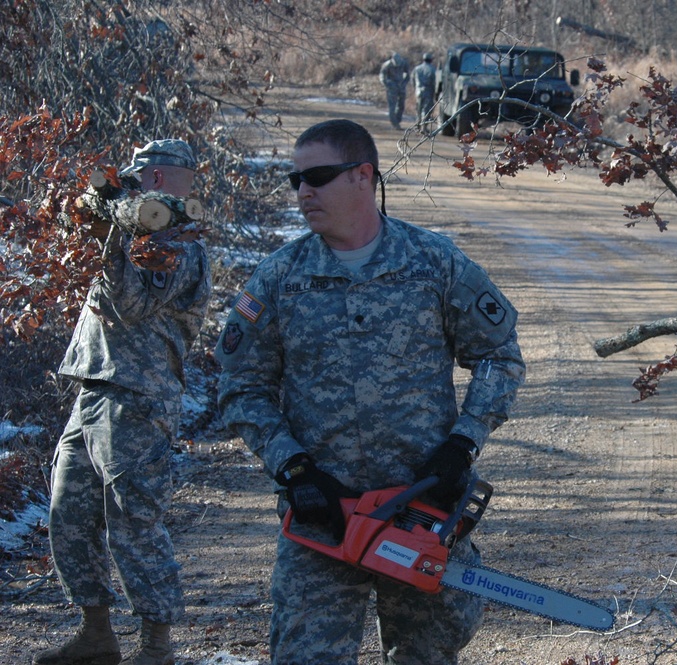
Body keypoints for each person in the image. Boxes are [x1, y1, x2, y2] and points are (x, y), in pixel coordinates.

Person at [215, 118, 525, 664]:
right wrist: (294, 469)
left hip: (421, 510)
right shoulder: (277, 279)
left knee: (428, 653)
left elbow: (499, 355)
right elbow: (241, 387)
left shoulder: (433, 263)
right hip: (322, 518)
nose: (303, 191)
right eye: (296, 180)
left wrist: (463, 444)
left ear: (363, 176)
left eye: (318, 176)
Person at [35, 139, 212, 665]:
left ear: (156, 180)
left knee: (134, 520)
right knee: (68, 510)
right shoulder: (139, 231)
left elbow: (129, 305)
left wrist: (110, 237)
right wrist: (96, 225)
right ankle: (96, 633)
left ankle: (155, 645)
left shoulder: (179, 245)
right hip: (94, 387)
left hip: (138, 397)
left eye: (135, 177)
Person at [379, 52, 410, 129]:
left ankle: (397, 120)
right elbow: (382, 75)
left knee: (401, 105)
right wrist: (387, 84)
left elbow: (408, 75)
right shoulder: (387, 65)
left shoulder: (403, 63)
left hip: (401, 86)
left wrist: (404, 83)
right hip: (392, 87)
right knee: (392, 106)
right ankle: (395, 123)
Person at [412, 52, 437, 133]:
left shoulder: (417, 68)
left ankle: (417, 126)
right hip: (428, 91)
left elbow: (412, 79)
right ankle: (423, 127)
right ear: (431, 60)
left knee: (418, 109)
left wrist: (415, 88)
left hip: (418, 91)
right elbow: (435, 82)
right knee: (426, 110)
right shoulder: (433, 69)